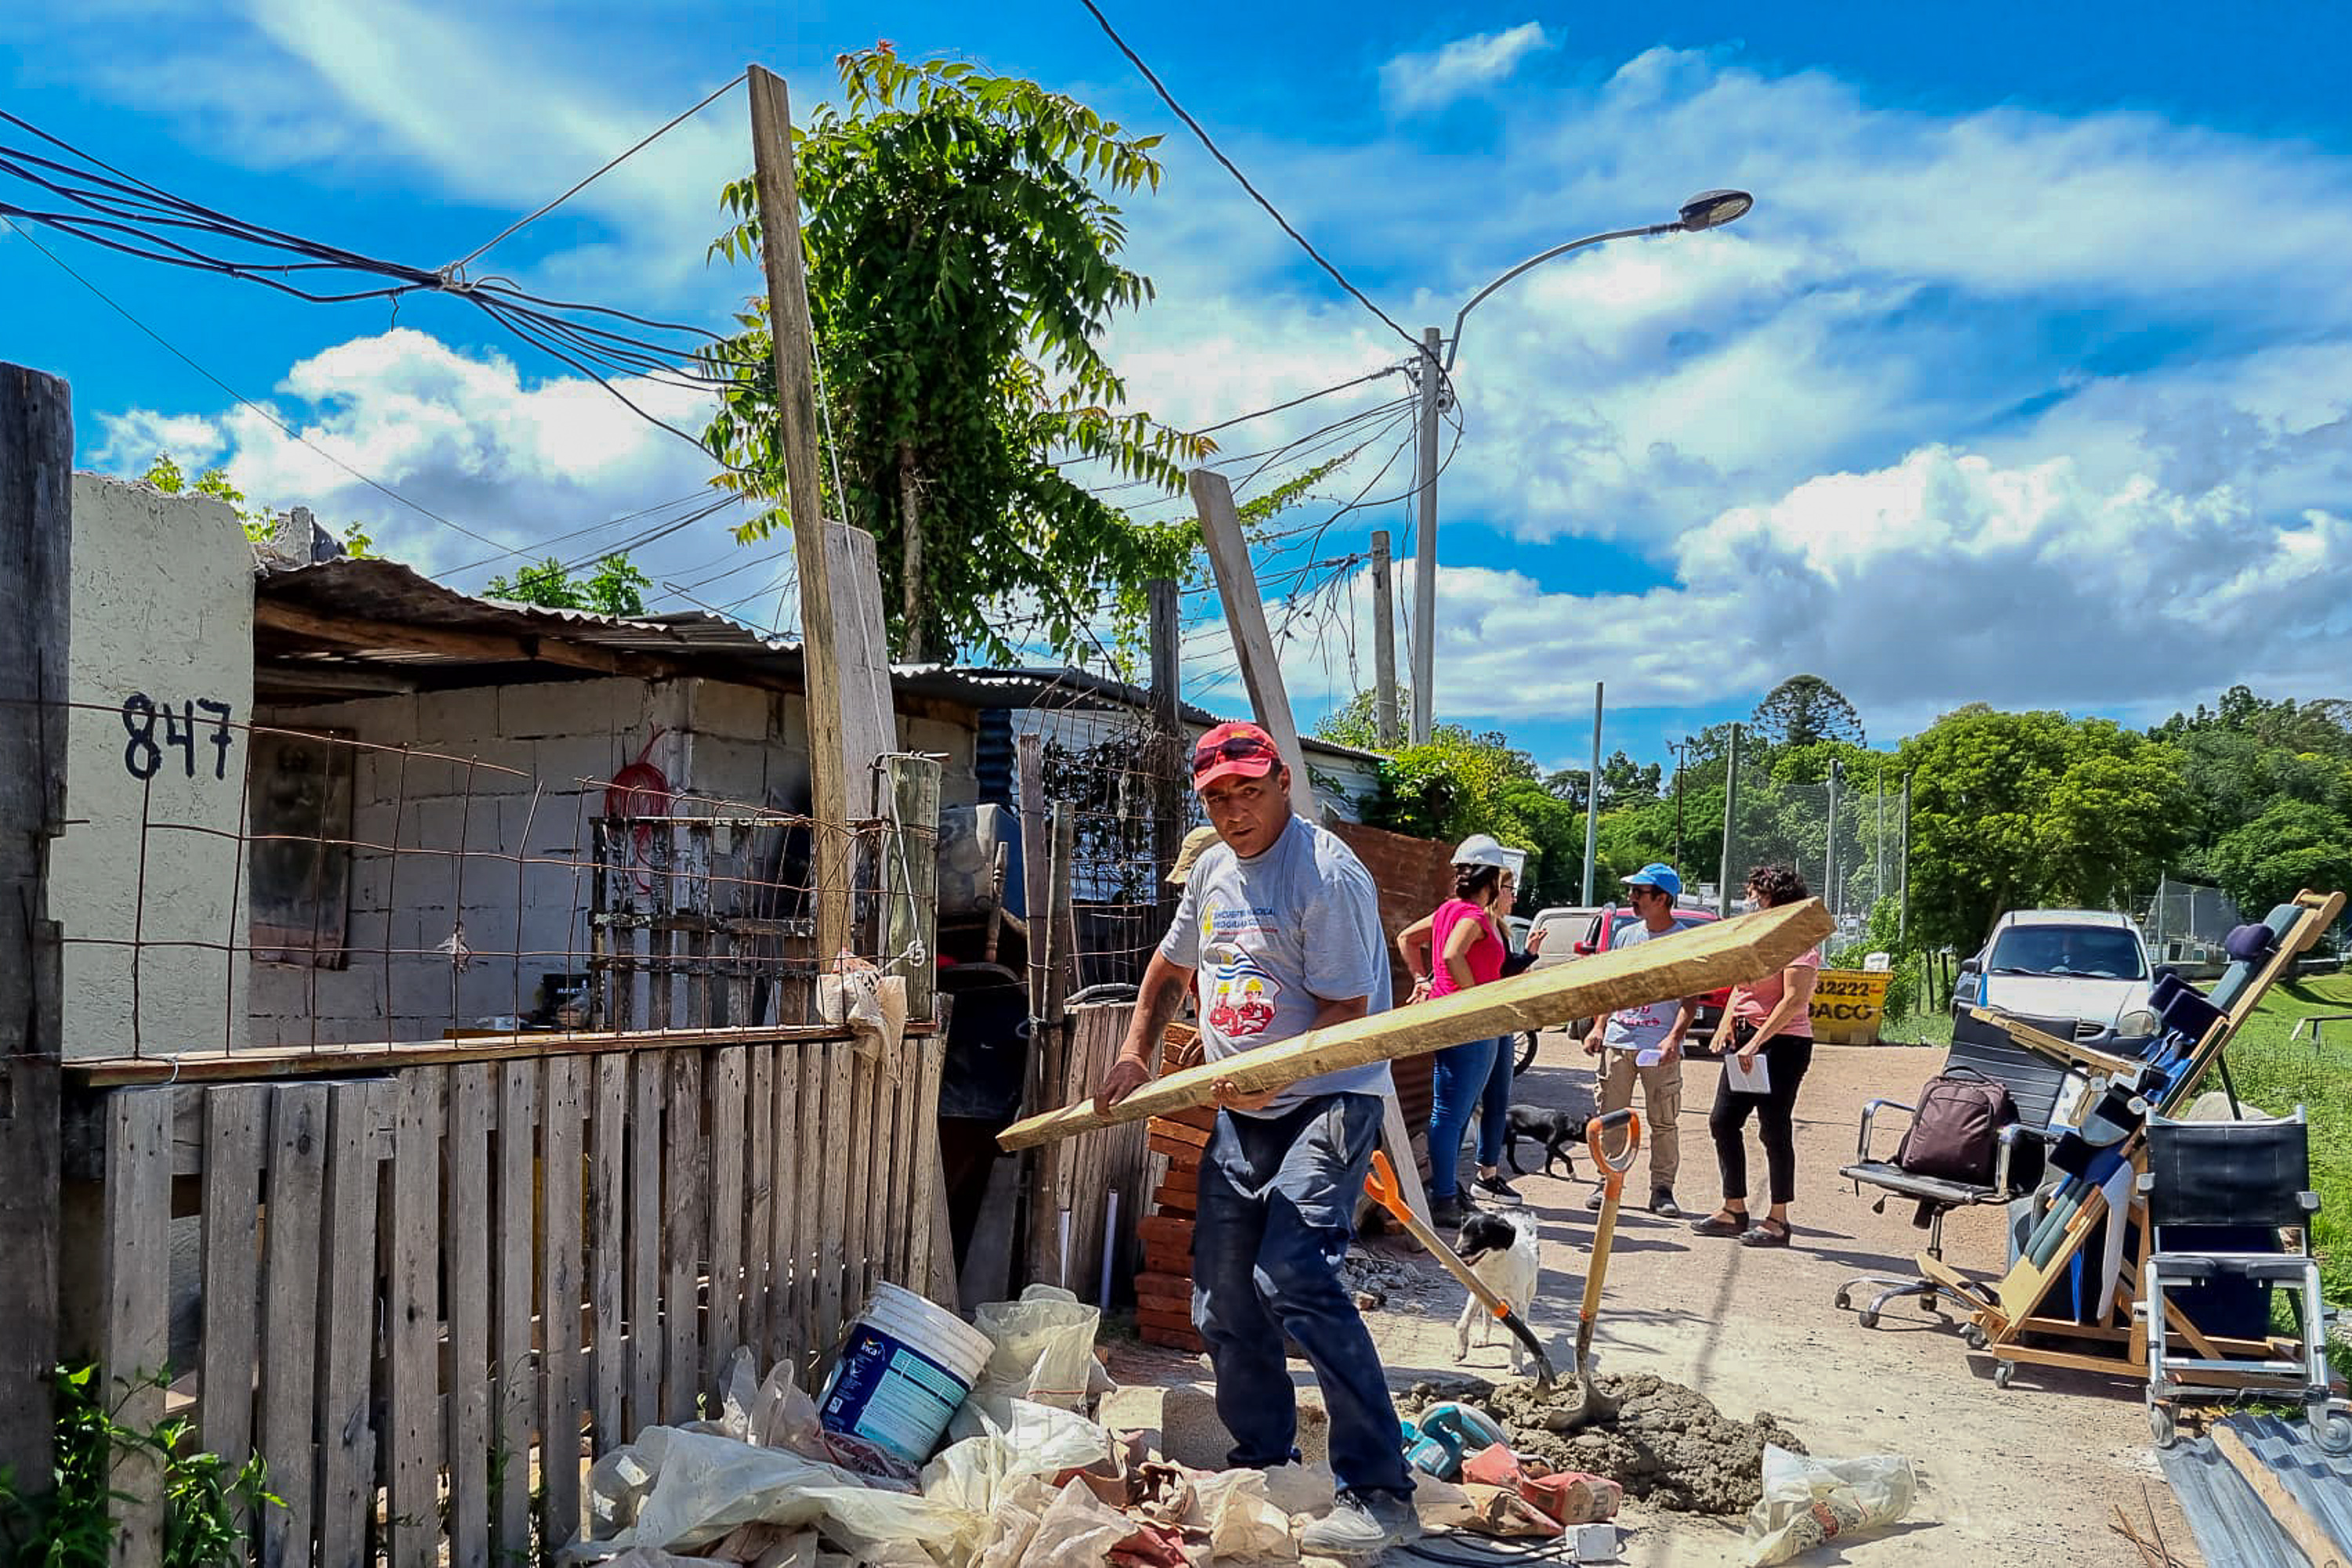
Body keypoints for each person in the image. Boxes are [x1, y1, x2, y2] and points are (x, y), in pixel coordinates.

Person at [1098, 720, 1421, 1557]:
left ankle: (1380, 1487)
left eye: (1249, 789)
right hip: (1248, 1109)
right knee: (1221, 1299)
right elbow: (1171, 969)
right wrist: (1137, 1049)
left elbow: (1349, 1013)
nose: (1236, 810)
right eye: (1218, 796)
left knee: (1295, 1275)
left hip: (1328, 1097)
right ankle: (1264, 1463)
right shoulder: (1210, 868)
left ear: (1282, 780)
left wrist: (1278, 1073)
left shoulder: (1326, 874)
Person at [1397, 839, 1544, 1221]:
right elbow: (1451, 955)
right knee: (1449, 1113)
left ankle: (1447, 1189)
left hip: (1457, 1021)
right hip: (1471, 1025)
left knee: (1454, 1112)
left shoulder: (1450, 909)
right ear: (1493, 878)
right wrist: (1475, 999)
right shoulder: (1475, 917)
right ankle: (1443, 1196)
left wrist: (1422, 981)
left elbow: (1407, 939)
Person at [1693, 865, 1821, 1247]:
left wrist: (1757, 1042)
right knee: (1723, 1121)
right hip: (1746, 1039)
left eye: (1758, 897)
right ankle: (1734, 1208)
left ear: (1777, 901)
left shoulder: (1799, 943)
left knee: (1773, 1129)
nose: (1752, 903)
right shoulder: (1758, 938)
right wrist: (1727, 1023)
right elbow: (1741, 986)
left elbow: (1794, 999)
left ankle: (1779, 1221)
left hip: (1784, 1044)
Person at [1581, 863, 1698, 1216]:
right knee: (1612, 1117)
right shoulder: (1625, 935)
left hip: (1658, 1047)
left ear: (1662, 898)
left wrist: (1673, 1039)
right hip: (1620, 1039)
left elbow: (1690, 1000)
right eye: (1632, 891)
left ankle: (1662, 1190)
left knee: (1663, 1120)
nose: (1632, 898)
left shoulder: (1683, 941)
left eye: (1640, 893)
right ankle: (1608, 1183)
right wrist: (1599, 1026)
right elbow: (1611, 987)